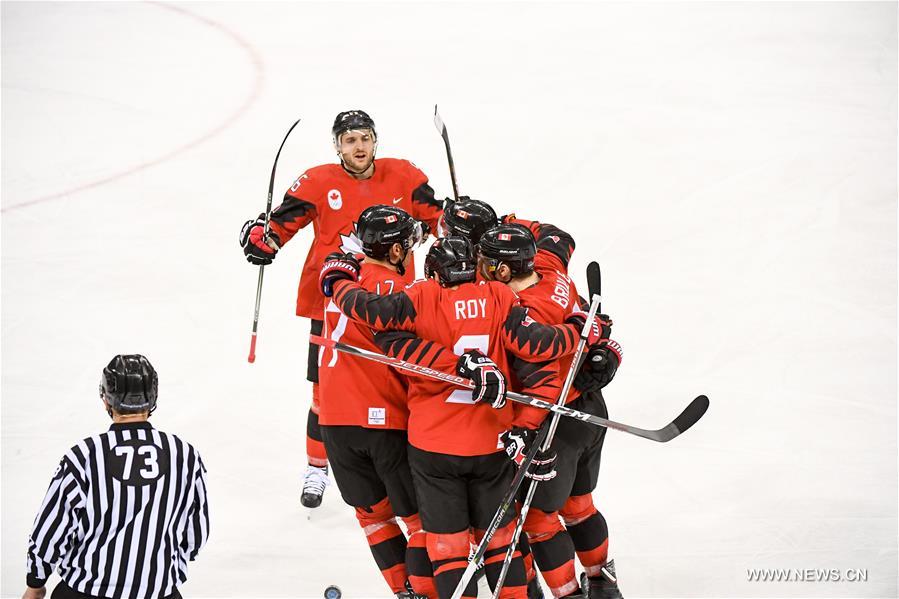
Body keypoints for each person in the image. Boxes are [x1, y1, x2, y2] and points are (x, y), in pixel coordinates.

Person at [318, 237, 612, 599]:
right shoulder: (504, 296)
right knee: (506, 542)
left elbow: (379, 325)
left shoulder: (422, 296)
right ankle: (591, 585)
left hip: (433, 447)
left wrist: (337, 281)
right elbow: (542, 361)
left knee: (446, 548)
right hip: (496, 442)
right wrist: (587, 331)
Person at [238, 110, 444, 509]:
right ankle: (317, 468)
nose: (359, 146)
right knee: (324, 393)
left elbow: (438, 219)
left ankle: (411, 459)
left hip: (395, 301)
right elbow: (280, 226)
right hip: (333, 303)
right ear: (337, 147)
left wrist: (457, 222)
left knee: (406, 382)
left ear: (375, 140)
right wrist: (262, 239)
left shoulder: (403, 175)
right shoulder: (317, 182)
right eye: (349, 140)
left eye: (364, 138)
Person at [477, 220, 623, 599]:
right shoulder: (549, 267)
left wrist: (525, 426)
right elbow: (559, 236)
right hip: (589, 409)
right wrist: (508, 222)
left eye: (485, 262)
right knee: (579, 505)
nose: (479, 268)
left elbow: (541, 363)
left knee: (541, 521)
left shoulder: (521, 311)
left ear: (503, 270)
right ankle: (604, 585)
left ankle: (570, 594)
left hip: (553, 420)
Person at [317, 205, 435, 598]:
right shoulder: (399, 291)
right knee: (419, 520)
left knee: (373, 517)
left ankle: (403, 592)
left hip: (333, 420)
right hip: (385, 418)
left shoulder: (340, 279)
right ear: (397, 252)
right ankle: (423, 591)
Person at [23, 355, 209, 599]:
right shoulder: (185, 456)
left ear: (106, 400)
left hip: (85, 592)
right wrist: (158, 571)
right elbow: (196, 533)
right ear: (152, 397)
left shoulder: (83, 456)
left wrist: (35, 584)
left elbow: (49, 531)